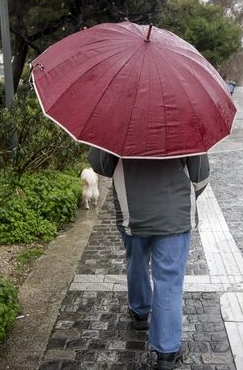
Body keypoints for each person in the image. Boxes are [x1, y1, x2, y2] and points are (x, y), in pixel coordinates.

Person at [88, 148, 209, 370]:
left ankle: (140, 312)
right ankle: (167, 351)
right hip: (175, 213)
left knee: (136, 259)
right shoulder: (185, 118)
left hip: (132, 211)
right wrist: (183, 194)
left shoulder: (118, 117)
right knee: (169, 280)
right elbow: (200, 175)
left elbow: (101, 166)